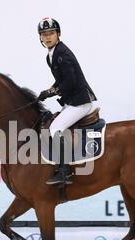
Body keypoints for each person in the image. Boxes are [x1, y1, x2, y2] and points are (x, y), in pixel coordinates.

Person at [37, 17, 97, 185]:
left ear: (58, 34)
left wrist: (51, 92)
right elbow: (62, 79)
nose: (48, 37)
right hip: (72, 101)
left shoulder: (62, 54)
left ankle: (64, 171)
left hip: (80, 102)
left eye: (51, 33)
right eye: (44, 34)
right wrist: (50, 89)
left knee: (55, 128)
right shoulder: (52, 55)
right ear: (40, 37)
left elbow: (70, 82)